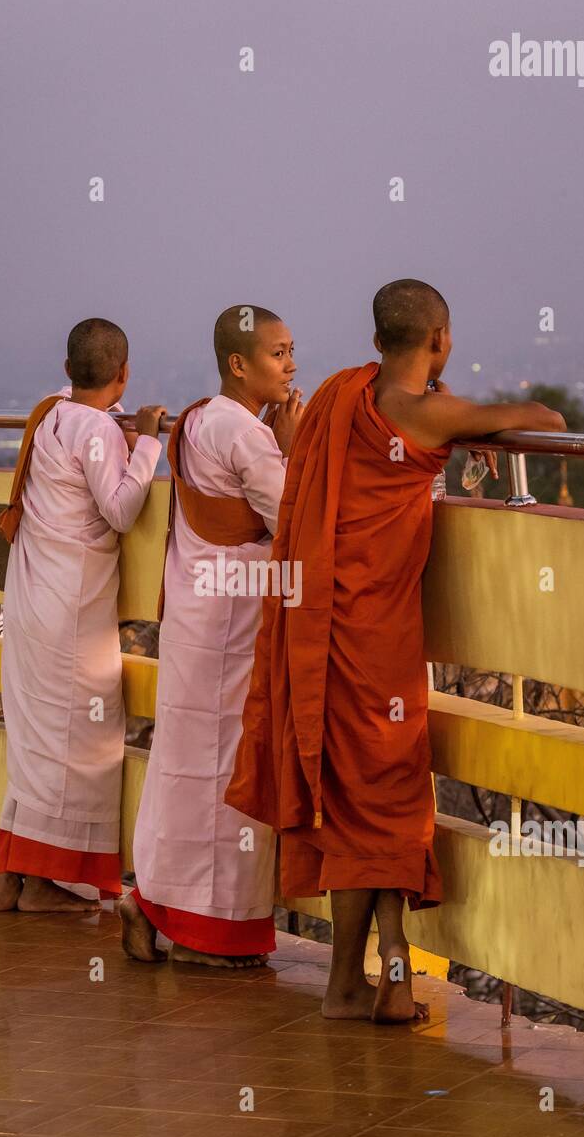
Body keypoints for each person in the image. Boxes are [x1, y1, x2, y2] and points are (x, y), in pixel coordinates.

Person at [226, 279, 566, 1018]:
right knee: (384, 794)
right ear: (440, 342)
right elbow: (545, 417)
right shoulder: (428, 410)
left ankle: (388, 972)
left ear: (376, 342)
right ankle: (355, 982)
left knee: (363, 798)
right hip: (378, 633)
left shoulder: (344, 396)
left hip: (324, 625)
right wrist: (454, 405)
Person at [120, 305, 303, 966]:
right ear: (238, 363)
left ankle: (148, 902)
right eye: (278, 354)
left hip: (197, 617)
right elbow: (295, 524)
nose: (291, 365)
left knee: (180, 767)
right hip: (232, 627)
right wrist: (293, 445)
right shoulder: (248, 436)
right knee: (230, 772)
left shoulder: (198, 419)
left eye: (290, 352)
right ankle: (209, 930)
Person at [0, 317, 166, 913]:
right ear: (123, 374)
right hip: (71, 610)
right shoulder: (95, 428)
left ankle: (11, 875)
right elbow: (119, 511)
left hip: (34, 596)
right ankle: (41, 882)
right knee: (81, 739)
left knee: (36, 740)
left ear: (67, 371)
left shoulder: (52, 415)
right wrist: (147, 444)